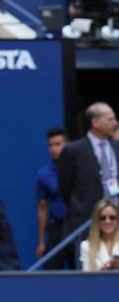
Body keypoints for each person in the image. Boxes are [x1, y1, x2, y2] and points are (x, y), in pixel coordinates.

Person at [57, 102, 119, 251]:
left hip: (116, 222)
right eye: (110, 119)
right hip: (86, 223)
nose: (115, 123)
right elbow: (65, 189)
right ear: (95, 122)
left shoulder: (116, 147)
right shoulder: (73, 151)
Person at [36, 127, 71, 268]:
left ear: (67, 145)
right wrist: (41, 241)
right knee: (51, 267)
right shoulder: (44, 174)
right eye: (50, 145)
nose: (53, 149)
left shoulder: (80, 167)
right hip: (57, 227)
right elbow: (42, 208)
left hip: (78, 224)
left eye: (58, 144)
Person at [79, 199, 119, 272]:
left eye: (112, 217)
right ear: (97, 221)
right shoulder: (86, 246)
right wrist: (105, 269)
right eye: (102, 218)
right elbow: (87, 278)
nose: (107, 221)